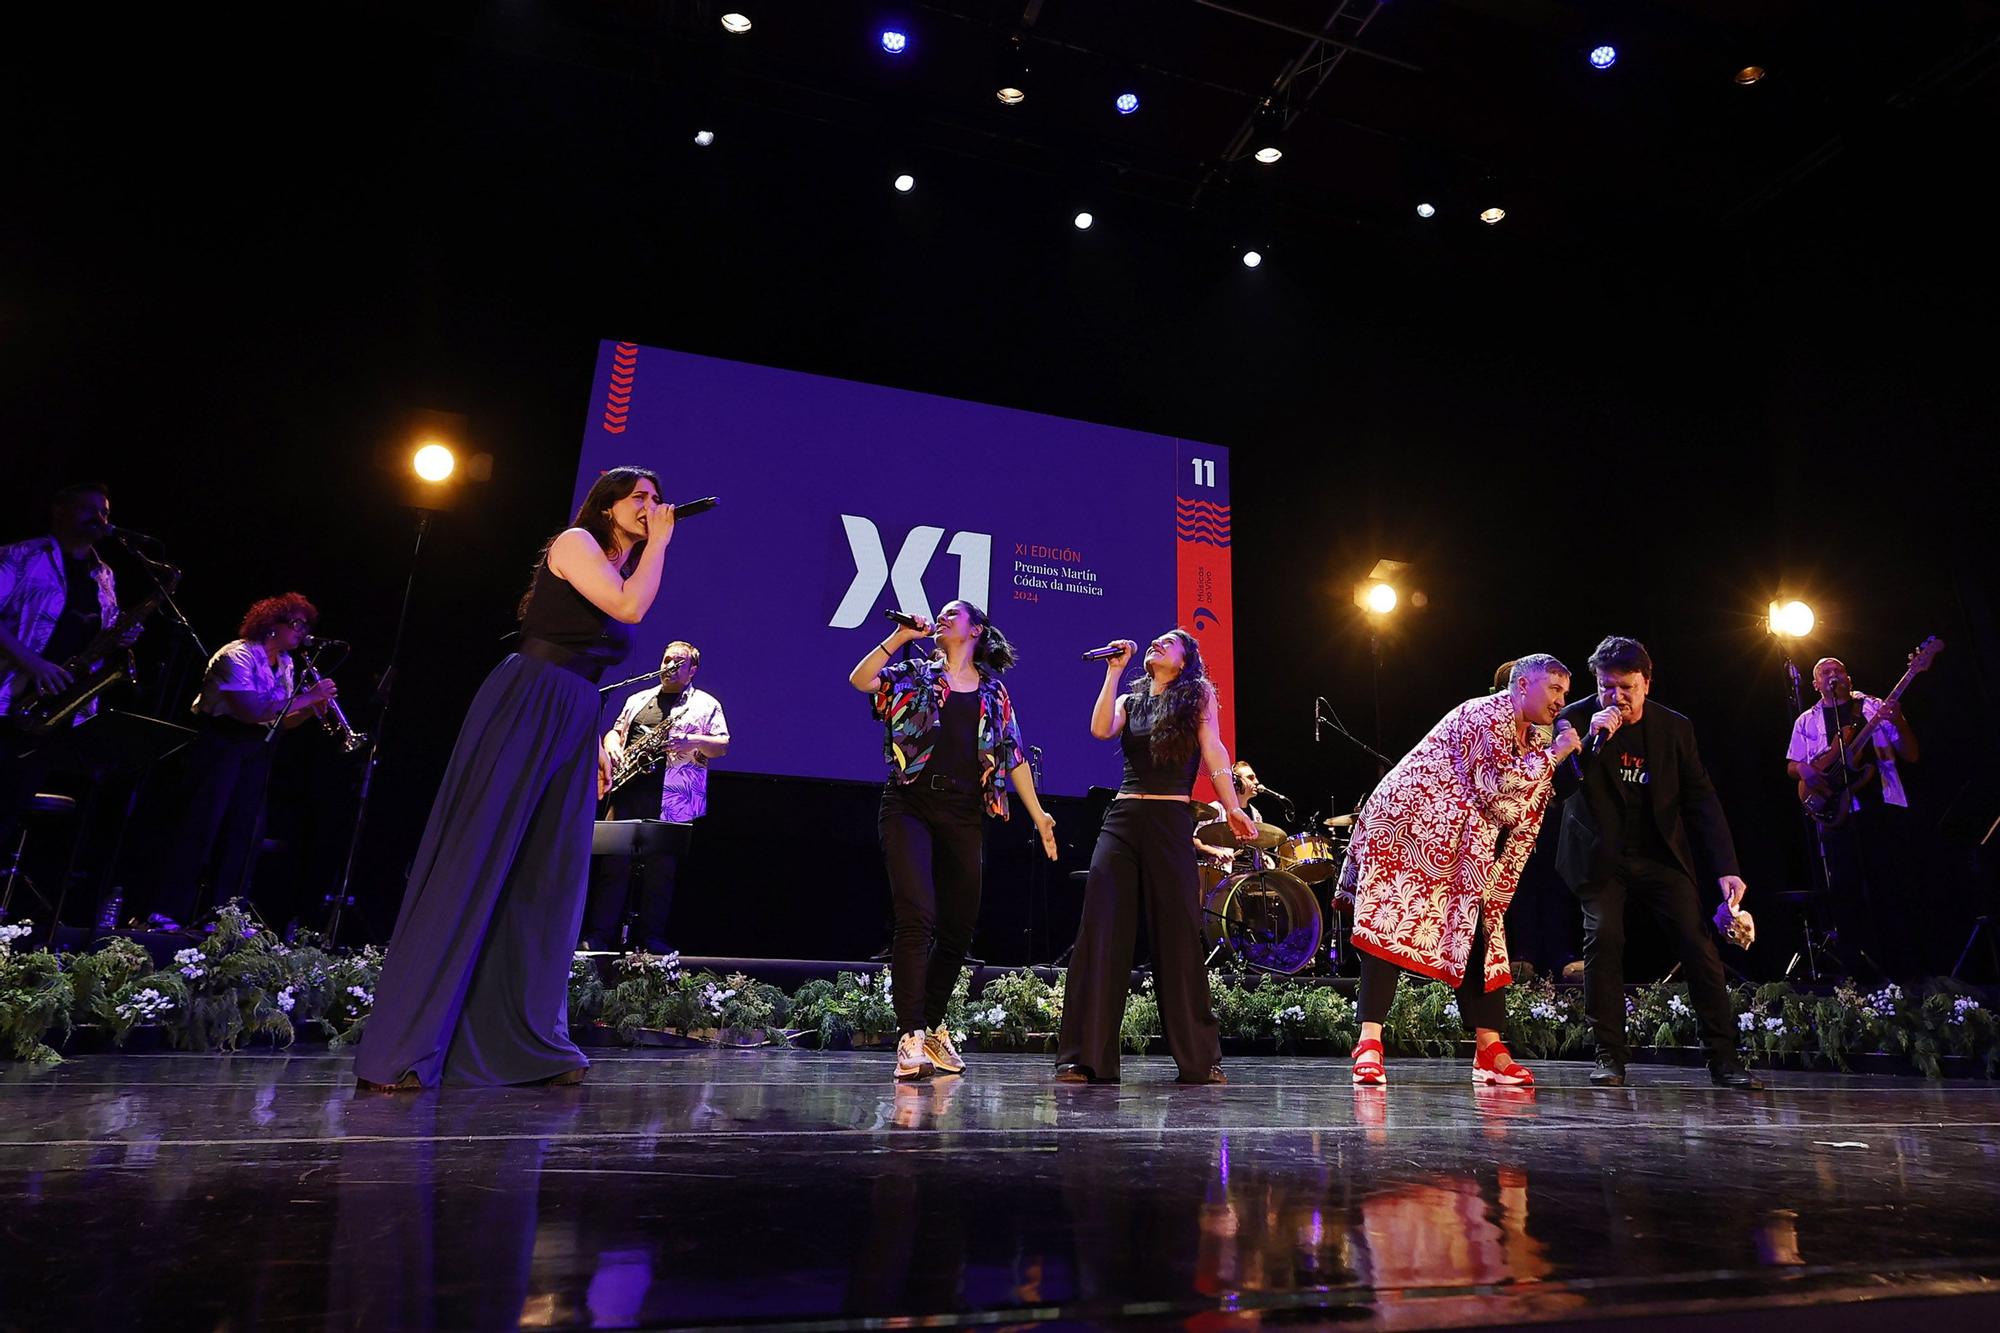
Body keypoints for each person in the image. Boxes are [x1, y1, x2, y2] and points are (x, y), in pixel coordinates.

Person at [356, 467, 673, 1090]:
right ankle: (406, 1047)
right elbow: (630, 607)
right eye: (638, 497)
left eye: (657, 500)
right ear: (606, 506)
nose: (651, 506)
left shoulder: (617, 563)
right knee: (477, 858)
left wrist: (594, 740)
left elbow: (606, 631)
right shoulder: (575, 544)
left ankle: (521, 1044)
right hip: (530, 700)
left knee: (545, 875)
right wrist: (657, 544)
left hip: (575, 710)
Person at [1340, 654, 1580, 1088]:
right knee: (1389, 922)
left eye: (1565, 691)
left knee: (1481, 928)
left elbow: (1529, 804)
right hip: (1406, 828)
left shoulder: (1528, 737)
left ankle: (1489, 1047)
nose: (1560, 701)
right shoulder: (1485, 715)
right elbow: (1501, 791)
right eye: (1554, 689)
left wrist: (1570, 746)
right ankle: (1369, 1042)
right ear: (1522, 686)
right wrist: (1556, 755)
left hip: (1459, 842)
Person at [849, 601, 1058, 1082]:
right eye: (939, 614)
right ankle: (911, 1035)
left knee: (960, 927)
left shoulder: (993, 691)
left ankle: (936, 1026)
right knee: (916, 915)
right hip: (909, 803)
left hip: (965, 811)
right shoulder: (914, 672)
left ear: (976, 630)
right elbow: (861, 680)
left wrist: (1039, 814)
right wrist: (901, 637)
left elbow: (1014, 755)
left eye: (952, 613)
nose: (941, 618)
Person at [1555, 635, 1759, 1090]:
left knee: (1697, 944)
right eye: (1608, 687)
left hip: (1659, 852)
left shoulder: (1674, 728)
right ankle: (1609, 1056)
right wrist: (1592, 740)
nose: (1617, 697)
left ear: (1647, 682)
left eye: (1627, 686)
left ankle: (1724, 1059)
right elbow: (1560, 789)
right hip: (1599, 855)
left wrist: (1727, 866)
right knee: (1603, 939)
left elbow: (1700, 798)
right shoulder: (1574, 719)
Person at [1053, 630, 1256, 1086]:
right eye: (1156, 642)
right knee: (1102, 928)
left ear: (1185, 660)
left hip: (1169, 820)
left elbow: (1215, 752)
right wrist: (1112, 672)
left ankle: (1199, 1060)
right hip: (1124, 816)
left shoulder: (1197, 695)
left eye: (1169, 643)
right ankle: (1086, 1058)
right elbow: (1100, 728)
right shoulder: (1131, 697)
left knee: (1177, 934)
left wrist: (1234, 806)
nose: (1157, 645)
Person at [145, 593, 338, 929]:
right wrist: (307, 696)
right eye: (296, 623)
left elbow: (282, 720)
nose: (302, 632)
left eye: (306, 626)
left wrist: (309, 709)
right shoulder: (236, 655)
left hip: (256, 748)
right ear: (272, 624)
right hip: (221, 740)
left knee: (244, 833)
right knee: (201, 825)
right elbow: (249, 711)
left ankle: (223, 917)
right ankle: (168, 911)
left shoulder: (287, 664)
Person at [0, 482, 143, 893]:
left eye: (106, 511)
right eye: (89, 509)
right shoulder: (21, 555)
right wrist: (34, 663)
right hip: (11, 694)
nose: (101, 519)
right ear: (59, 510)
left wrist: (124, 636)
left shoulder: (104, 573)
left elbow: (100, 631)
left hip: (59, 709)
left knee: (14, 809)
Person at [582, 640, 730, 953]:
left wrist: (690, 740)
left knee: (661, 872)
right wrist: (611, 746)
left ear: (692, 671)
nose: (670, 667)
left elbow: (722, 745)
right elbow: (615, 731)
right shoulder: (639, 698)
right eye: (667, 660)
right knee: (613, 867)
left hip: (673, 797)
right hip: (626, 791)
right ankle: (599, 936)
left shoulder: (706, 704)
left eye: (679, 662)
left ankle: (652, 940)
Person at [1785, 654, 1921, 978]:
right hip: (1838, 814)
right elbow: (1792, 765)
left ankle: (1904, 972)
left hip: (1880, 810)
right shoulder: (1806, 720)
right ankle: (1858, 977)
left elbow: (1911, 754)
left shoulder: (1874, 707)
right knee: (1845, 895)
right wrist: (1805, 769)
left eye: (1838, 670)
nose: (1832, 675)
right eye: (1824, 672)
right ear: (1816, 684)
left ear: (1848, 677)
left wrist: (1899, 720)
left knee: (1889, 889)